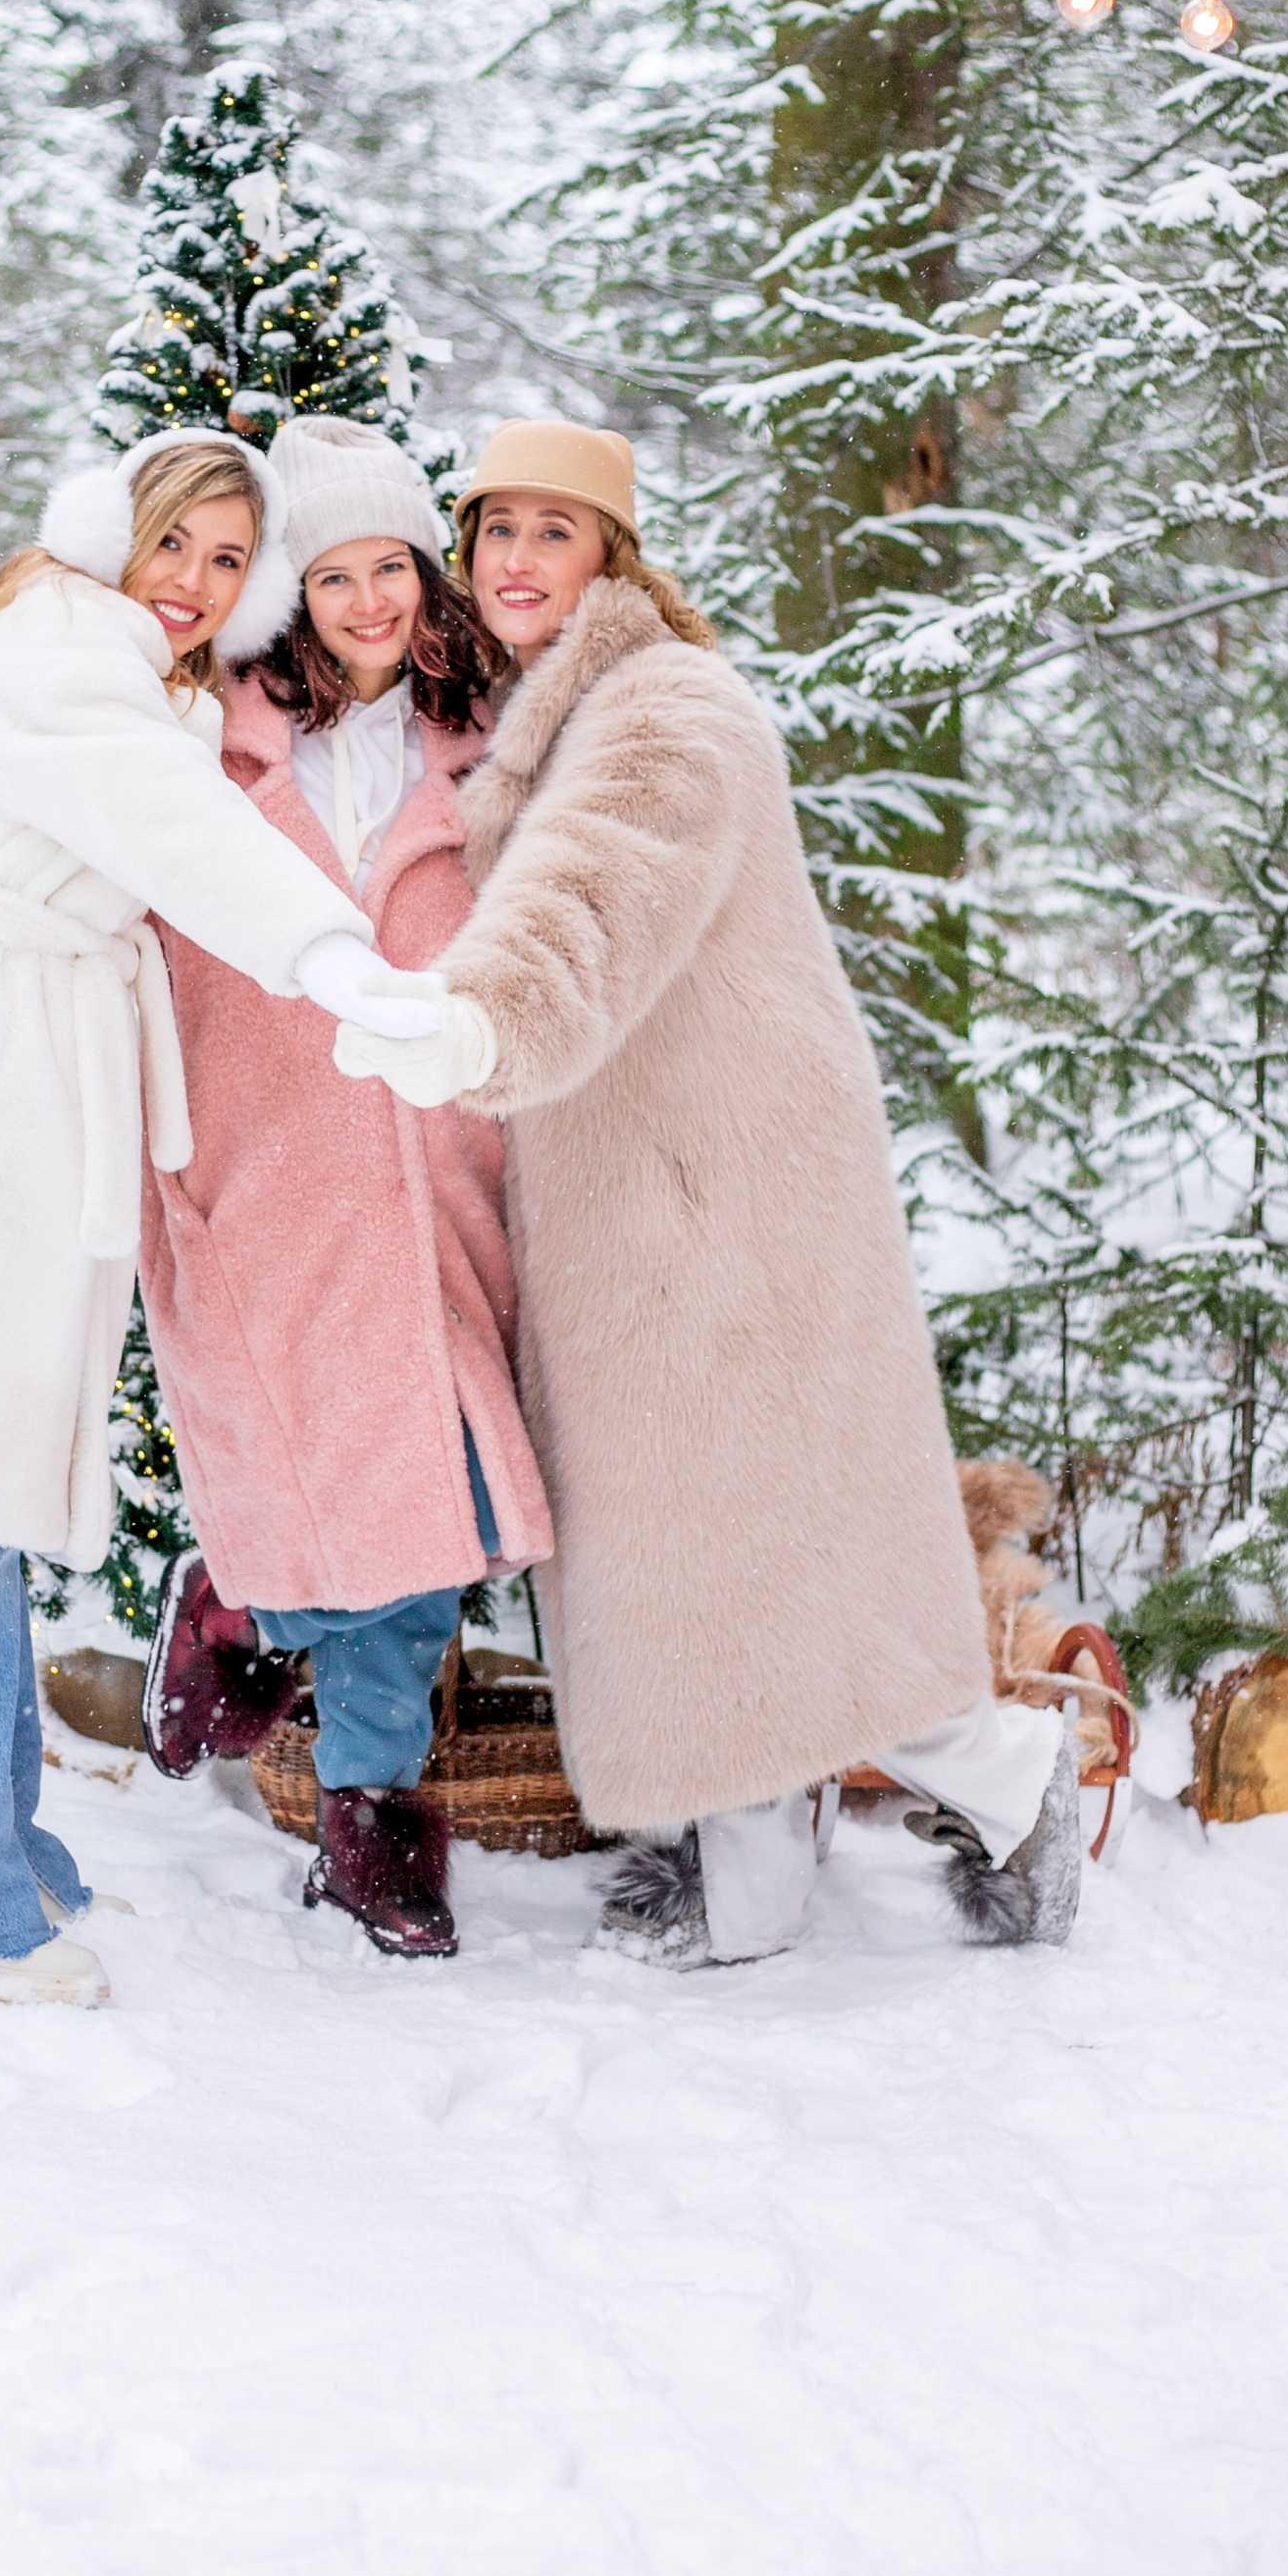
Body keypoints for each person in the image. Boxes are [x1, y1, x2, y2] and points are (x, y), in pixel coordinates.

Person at [331, 420, 1080, 1966]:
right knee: (724, 1545)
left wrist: (477, 1018)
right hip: (657, 1196)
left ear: (615, 554)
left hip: (721, 1202)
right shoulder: (574, 707)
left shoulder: (667, 707)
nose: (518, 560)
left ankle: (980, 1786)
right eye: (498, 531)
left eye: (558, 530)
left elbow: (593, 893)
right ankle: (784, 1846)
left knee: (732, 1536)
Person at [0, 430, 451, 2008]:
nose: (196, 584)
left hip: (15, 1062)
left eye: (227, 560)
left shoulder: (126, 671)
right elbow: (184, 837)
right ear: (107, 534)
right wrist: (340, 962)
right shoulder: (61, 653)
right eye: (176, 544)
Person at [132, 415, 555, 1960]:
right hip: (266, 1174)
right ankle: (248, 1603)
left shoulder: (490, 741)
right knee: (322, 1485)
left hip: (439, 1175)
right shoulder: (208, 747)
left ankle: (364, 1814)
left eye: (394, 567)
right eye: (335, 574)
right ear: (289, 596)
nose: (370, 602)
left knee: (432, 1515)